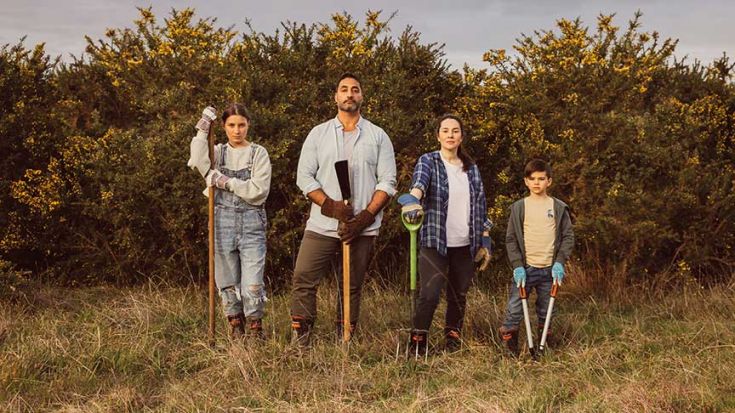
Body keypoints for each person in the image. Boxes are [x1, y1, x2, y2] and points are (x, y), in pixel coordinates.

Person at [290, 73, 397, 346]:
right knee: (303, 277)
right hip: (322, 225)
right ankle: (301, 339)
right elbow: (304, 177)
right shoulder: (318, 134)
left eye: (355, 90)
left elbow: (388, 181)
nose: (349, 94)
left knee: (350, 286)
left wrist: (365, 217)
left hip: (363, 227)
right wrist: (330, 206)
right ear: (336, 97)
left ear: (362, 97)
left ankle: (344, 338)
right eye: (344, 90)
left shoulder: (378, 136)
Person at [398, 114, 493, 353]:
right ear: (438, 135)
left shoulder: (471, 169)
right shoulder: (429, 161)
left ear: (461, 136)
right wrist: (412, 201)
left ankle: (452, 341)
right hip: (435, 241)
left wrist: (485, 240)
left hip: (465, 244)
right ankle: (418, 345)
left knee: (459, 294)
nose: (450, 135)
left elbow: (481, 205)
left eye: (455, 131)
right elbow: (419, 184)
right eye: (446, 130)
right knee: (429, 294)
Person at [187, 104, 272, 340]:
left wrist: (225, 181)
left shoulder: (258, 153)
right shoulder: (217, 152)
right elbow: (196, 159)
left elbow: (258, 191)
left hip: (252, 221)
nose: (237, 131)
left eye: (242, 125)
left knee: (252, 282)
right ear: (223, 127)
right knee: (226, 278)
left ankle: (256, 330)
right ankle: (236, 327)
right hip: (222, 220)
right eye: (231, 125)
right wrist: (203, 128)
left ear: (248, 125)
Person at [499, 158, 574, 356]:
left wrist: (560, 262)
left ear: (549, 181)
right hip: (526, 269)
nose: (537, 183)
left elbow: (568, 237)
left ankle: (544, 345)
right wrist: (517, 265)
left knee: (546, 309)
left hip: (550, 269)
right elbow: (511, 239)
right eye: (532, 179)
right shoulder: (519, 208)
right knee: (514, 307)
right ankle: (510, 348)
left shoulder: (558, 207)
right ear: (526, 181)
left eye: (541, 179)